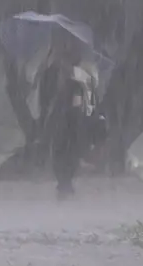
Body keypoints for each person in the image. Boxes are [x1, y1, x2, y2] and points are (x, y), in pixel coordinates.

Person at [36, 29, 106, 199]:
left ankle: (66, 182)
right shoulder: (53, 68)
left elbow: (89, 95)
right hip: (60, 116)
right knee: (59, 149)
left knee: (70, 150)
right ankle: (63, 182)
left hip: (75, 119)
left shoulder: (83, 72)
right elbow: (46, 93)